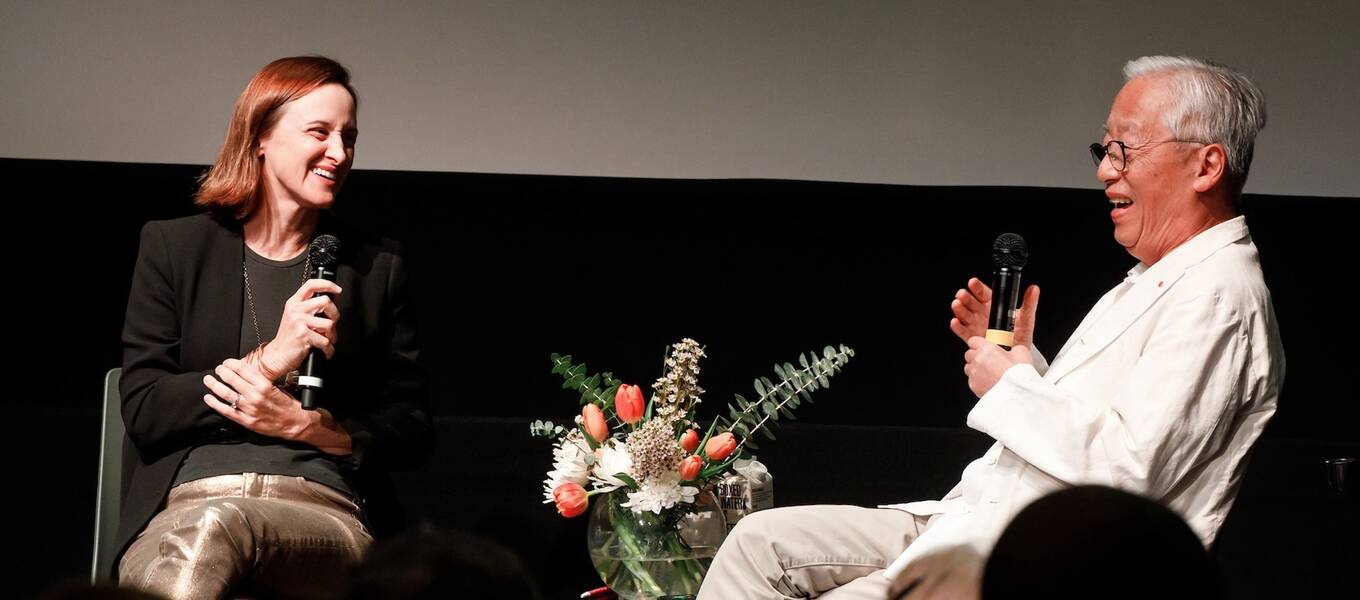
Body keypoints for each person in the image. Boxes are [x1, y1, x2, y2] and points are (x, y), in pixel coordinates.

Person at [698, 55, 1284, 600]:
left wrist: (1009, 385)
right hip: (970, 522)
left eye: (1125, 149)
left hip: (1039, 566)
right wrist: (1026, 363)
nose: (1106, 171)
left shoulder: (1217, 296)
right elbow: (1098, 429)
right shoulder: (1161, 275)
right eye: (1104, 149)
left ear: (1207, 164)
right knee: (754, 545)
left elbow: (1125, 482)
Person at [114, 56, 435, 599]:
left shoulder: (374, 267)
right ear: (261, 136)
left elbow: (412, 428)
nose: (339, 153)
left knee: (219, 527)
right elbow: (145, 409)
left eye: (348, 138)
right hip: (186, 506)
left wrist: (318, 430)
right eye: (319, 132)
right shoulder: (175, 248)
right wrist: (271, 359)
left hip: (321, 514)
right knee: (207, 529)